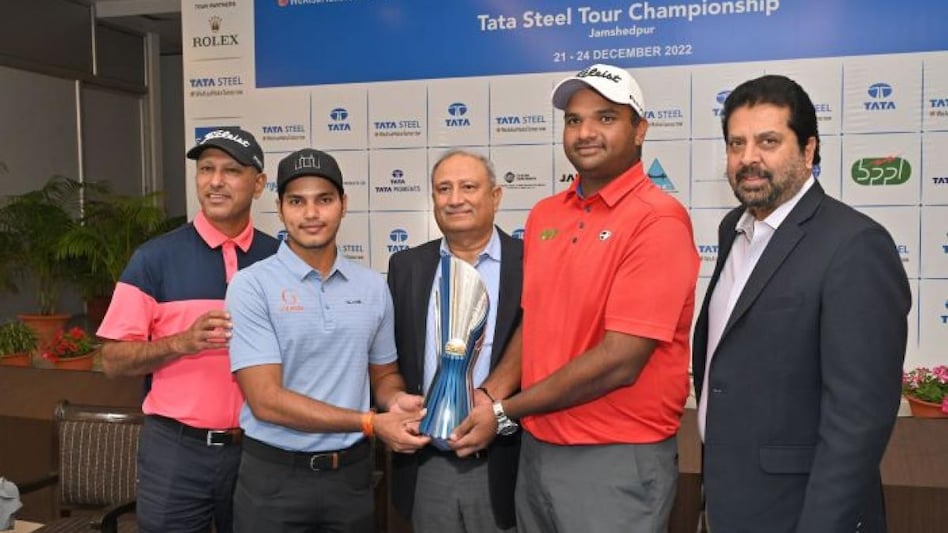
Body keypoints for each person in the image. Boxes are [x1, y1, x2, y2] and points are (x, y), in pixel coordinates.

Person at [451, 63, 700, 533]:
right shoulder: (547, 212)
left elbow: (620, 360)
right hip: (539, 448)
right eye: (573, 120)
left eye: (605, 118)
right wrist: (490, 393)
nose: (585, 132)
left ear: (639, 129)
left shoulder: (658, 220)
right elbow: (535, 321)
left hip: (614, 459)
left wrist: (503, 413)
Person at [692, 74, 911, 532]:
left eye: (768, 141)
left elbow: (858, 420)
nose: (748, 158)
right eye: (737, 144)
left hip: (801, 514)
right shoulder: (733, 230)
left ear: (808, 151)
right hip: (727, 505)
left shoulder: (854, 245)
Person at [225, 148, 430, 533]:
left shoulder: (372, 286)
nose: (312, 214)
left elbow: (383, 374)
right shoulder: (251, 285)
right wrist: (370, 422)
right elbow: (266, 401)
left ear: (343, 204)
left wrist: (396, 400)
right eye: (297, 201)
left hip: (350, 479)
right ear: (281, 207)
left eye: (324, 199)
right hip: (274, 480)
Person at [98, 127, 279, 533]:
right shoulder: (154, 258)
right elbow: (111, 359)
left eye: (231, 170)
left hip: (262, 450)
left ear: (259, 183)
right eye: (206, 169)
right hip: (176, 452)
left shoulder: (280, 260)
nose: (215, 181)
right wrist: (182, 342)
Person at [387, 149, 522, 533]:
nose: (455, 198)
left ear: (495, 197)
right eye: (443, 189)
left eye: (468, 187)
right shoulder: (406, 268)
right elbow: (390, 359)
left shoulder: (531, 263)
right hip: (427, 461)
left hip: (504, 460)